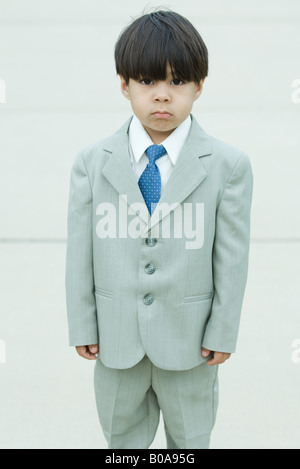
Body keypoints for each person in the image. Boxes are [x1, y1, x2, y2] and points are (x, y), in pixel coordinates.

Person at [65, 10, 253, 449]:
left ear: (200, 85)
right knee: (121, 441)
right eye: (148, 82)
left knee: (190, 442)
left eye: (177, 82)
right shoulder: (92, 163)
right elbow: (80, 251)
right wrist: (82, 324)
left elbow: (231, 256)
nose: (163, 97)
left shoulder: (227, 166)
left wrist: (223, 331)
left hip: (191, 347)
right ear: (124, 84)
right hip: (116, 343)